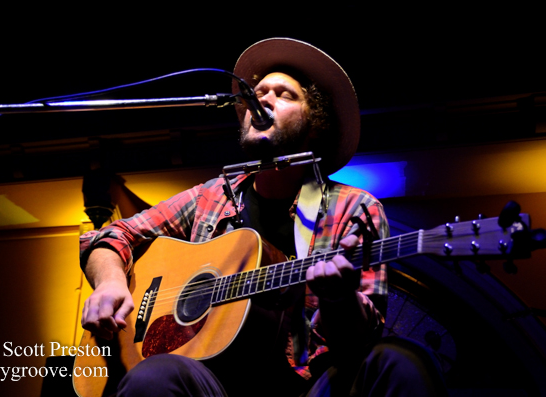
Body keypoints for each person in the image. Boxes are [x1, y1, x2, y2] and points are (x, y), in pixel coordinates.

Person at [79, 38, 447, 396]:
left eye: (284, 94)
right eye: (258, 92)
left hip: (309, 383)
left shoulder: (352, 207)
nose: (262, 99)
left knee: (400, 361)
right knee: (154, 376)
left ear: (314, 123)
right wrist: (111, 282)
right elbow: (108, 237)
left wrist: (339, 299)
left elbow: (358, 341)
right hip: (210, 382)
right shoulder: (212, 195)